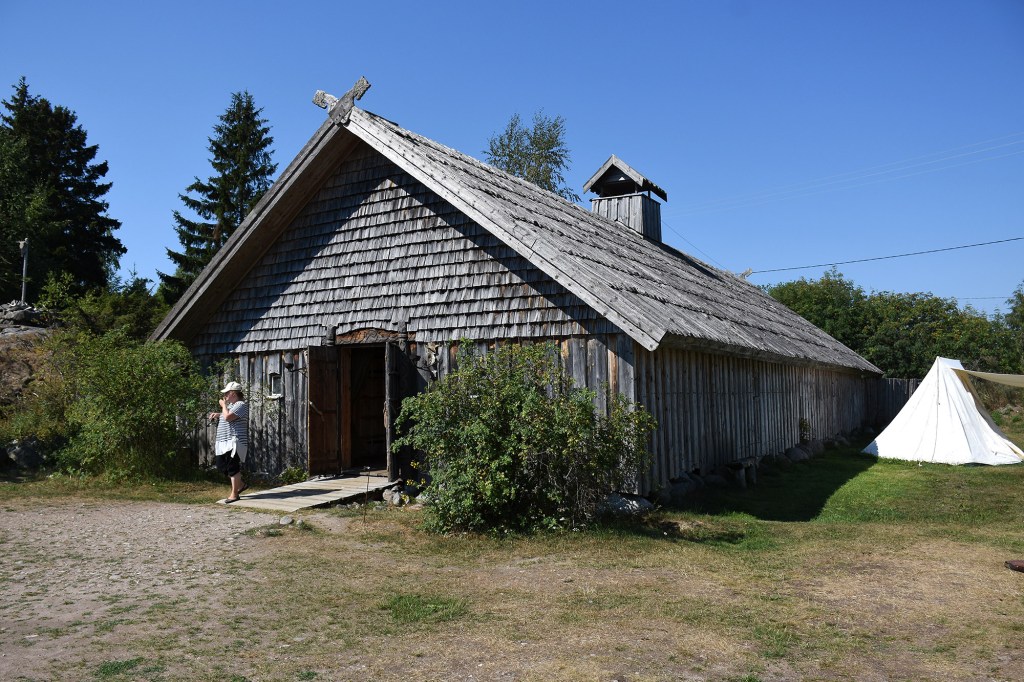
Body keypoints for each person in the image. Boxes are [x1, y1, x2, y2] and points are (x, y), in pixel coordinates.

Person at [210, 381, 249, 502]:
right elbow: (227, 415)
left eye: (226, 393)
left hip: (234, 441)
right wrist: (218, 414)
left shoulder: (241, 404)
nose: (225, 396)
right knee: (221, 466)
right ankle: (241, 485)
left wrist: (223, 405)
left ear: (233, 393)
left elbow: (228, 417)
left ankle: (234, 494)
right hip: (224, 442)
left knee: (233, 467)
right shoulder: (232, 406)